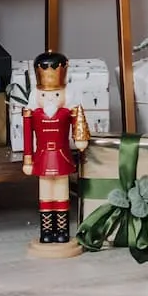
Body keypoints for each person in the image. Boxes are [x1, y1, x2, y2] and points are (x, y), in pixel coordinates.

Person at [22, 51, 91, 250]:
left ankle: (62, 232)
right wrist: (28, 159)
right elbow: (28, 137)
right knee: (45, 194)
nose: (50, 99)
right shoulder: (33, 114)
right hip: (42, 156)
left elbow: (78, 124)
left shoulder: (67, 111)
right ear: (37, 94)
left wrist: (80, 138)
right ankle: (46, 232)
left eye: (56, 94)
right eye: (44, 95)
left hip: (61, 156)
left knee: (61, 192)